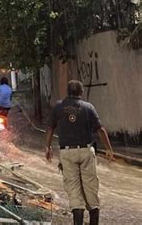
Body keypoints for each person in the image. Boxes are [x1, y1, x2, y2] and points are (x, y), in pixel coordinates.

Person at [45, 80, 114, 225]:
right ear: (81, 92)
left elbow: (50, 128)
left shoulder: (58, 106)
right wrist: (108, 149)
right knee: (91, 187)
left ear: (67, 91)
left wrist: (48, 147)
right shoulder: (88, 107)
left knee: (73, 190)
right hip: (86, 151)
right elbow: (100, 129)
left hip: (67, 153)